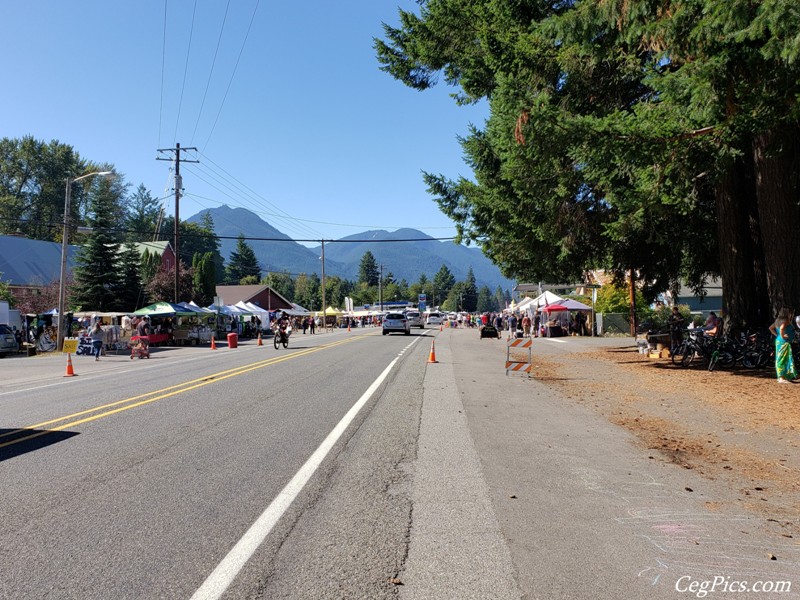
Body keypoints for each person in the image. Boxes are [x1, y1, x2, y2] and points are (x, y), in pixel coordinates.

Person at [769, 307, 797, 383]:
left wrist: (777, 335)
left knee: (780, 358)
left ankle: (783, 376)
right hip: (784, 342)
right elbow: (781, 328)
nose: (791, 314)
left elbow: (771, 328)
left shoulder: (778, 320)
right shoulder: (785, 320)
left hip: (779, 341)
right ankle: (781, 377)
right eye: (789, 312)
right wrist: (782, 335)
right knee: (783, 358)